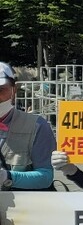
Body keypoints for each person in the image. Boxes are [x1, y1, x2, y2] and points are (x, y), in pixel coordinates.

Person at [0, 62, 56, 191]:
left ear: (14, 90)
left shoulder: (37, 126)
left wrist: (7, 176)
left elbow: (45, 177)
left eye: (1, 90)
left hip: (20, 208)